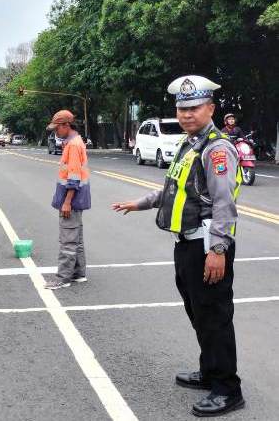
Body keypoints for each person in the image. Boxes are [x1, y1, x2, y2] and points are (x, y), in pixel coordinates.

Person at [112, 75, 244, 417]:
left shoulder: (216, 148)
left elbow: (224, 204)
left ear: (211, 109)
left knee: (214, 317)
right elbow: (173, 190)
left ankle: (228, 389)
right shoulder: (190, 145)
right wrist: (138, 203)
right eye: (182, 108)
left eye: (194, 107)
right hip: (186, 246)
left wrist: (217, 251)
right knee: (198, 313)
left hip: (206, 247)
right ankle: (210, 371)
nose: (186, 114)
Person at [44, 110, 91, 290]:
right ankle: (78, 273)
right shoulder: (76, 142)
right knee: (76, 237)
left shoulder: (73, 145)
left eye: (57, 128)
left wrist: (67, 201)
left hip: (71, 199)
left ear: (66, 125)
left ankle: (62, 278)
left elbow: (73, 177)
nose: (55, 132)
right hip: (77, 199)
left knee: (68, 240)